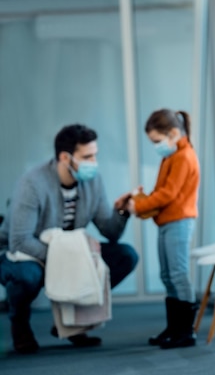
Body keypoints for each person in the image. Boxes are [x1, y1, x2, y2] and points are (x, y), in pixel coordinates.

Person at [0, 124, 139, 354]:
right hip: (22, 255)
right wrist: (68, 258)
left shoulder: (93, 181)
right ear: (65, 157)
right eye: (87, 156)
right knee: (27, 277)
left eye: (95, 155)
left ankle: (73, 323)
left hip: (66, 252)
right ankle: (20, 325)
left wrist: (122, 212)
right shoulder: (32, 183)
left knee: (125, 256)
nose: (94, 162)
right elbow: (20, 241)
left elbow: (110, 232)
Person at [128, 109, 200, 349]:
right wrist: (142, 200)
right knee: (167, 275)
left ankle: (185, 331)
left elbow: (168, 194)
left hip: (179, 221)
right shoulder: (171, 155)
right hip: (166, 222)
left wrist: (138, 206)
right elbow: (162, 192)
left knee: (178, 274)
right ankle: (174, 328)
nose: (156, 146)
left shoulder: (183, 156)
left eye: (157, 141)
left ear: (173, 133)